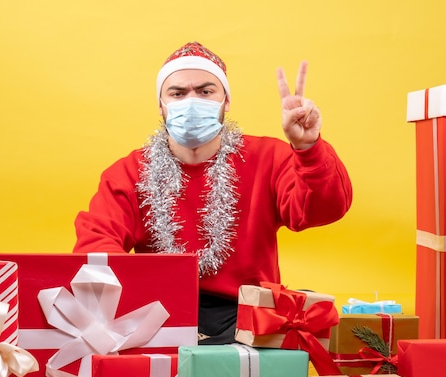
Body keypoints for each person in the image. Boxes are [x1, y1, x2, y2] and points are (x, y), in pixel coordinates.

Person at [73, 41, 352, 344]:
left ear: (225, 101)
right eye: (178, 94)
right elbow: (96, 248)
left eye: (205, 92)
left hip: (245, 317)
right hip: (158, 315)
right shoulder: (128, 173)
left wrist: (307, 148)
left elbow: (325, 208)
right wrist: (137, 304)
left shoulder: (268, 157)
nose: (191, 102)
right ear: (161, 105)